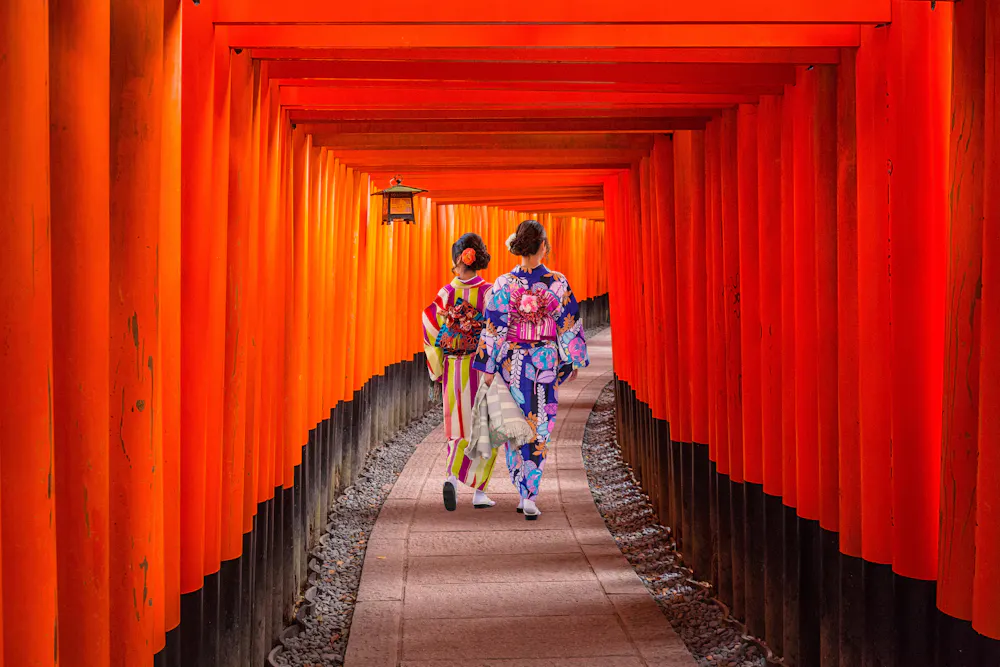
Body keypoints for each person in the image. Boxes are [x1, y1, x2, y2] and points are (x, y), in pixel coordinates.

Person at [473, 220, 590, 520]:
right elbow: (569, 322)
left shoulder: (502, 284)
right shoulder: (557, 282)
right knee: (540, 427)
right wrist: (572, 358)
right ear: (542, 247)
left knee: (517, 426)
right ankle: (529, 493)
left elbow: (493, 327)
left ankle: (522, 488)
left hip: (513, 363)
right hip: (545, 362)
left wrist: (489, 365)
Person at [422, 233, 501, 512]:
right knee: (486, 426)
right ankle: (479, 492)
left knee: (457, 423)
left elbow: (430, 326)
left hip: (454, 366)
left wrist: (436, 366)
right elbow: (496, 330)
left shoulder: (445, 293)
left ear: (458, 259)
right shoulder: (490, 291)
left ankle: (452, 478)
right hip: (482, 367)